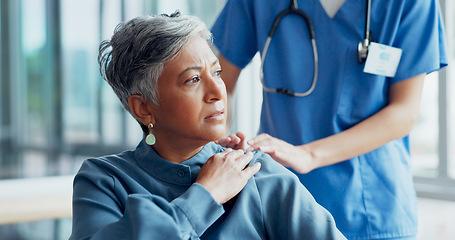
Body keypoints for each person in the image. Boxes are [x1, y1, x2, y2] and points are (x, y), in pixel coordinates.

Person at [69, 12, 346, 240]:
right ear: (144, 108)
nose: (217, 91)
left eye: (216, 72)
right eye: (192, 80)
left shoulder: (255, 172)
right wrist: (206, 195)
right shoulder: (104, 181)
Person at [211, 0, 448, 239]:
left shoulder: (409, 4)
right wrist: (217, 152)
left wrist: (308, 154)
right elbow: (218, 87)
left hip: (371, 208)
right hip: (279, 200)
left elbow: (403, 113)